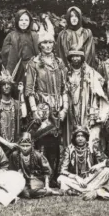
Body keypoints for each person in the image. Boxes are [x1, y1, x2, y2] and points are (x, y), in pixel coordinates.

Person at [26, 21, 68, 181]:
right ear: (39, 45)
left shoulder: (59, 63)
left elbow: (65, 88)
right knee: (41, 141)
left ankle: (54, 176)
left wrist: (64, 108)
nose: (48, 45)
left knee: (56, 144)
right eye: (44, 43)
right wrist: (34, 110)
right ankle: (41, 177)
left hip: (57, 107)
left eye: (50, 42)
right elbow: (29, 89)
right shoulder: (34, 63)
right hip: (42, 107)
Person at [65, 49, 109, 147]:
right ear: (70, 58)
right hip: (71, 104)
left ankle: (89, 152)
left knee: (87, 126)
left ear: (82, 58)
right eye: (73, 56)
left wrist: (91, 84)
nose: (76, 59)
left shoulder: (89, 71)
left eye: (78, 56)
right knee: (72, 125)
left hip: (85, 103)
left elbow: (101, 82)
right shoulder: (66, 72)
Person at [57, 126, 109, 195]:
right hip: (75, 180)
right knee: (60, 178)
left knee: (107, 170)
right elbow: (62, 170)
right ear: (74, 138)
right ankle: (91, 189)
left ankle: (76, 190)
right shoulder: (69, 149)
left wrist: (98, 165)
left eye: (82, 136)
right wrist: (76, 177)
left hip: (90, 178)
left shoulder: (92, 147)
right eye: (78, 136)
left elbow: (107, 161)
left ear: (86, 137)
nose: (80, 138)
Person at [0, 70, 27, 153]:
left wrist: (21, 94)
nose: (6, 86)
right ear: (0, 87)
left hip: (15, 147)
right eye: (4, 84)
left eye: (9, 84)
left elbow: (24, 115)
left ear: (12, 86)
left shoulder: (16, 104)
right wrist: (7, 144)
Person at [9, 132, 56, 198]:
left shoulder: (38, 155)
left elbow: (47, 172)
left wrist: (47, 186)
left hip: (35, 182)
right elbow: (11, 172)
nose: (25, 148)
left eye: (27, 145)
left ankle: (45, 191)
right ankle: (39, 192)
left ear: (32, 145)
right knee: (24, 192)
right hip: (21, 182)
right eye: (22, 145)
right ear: (19, 145)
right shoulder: (14, 155)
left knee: (27, 193)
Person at [1, 9, 39, 85]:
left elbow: (39, 52)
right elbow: (5, 54)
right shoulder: (11, 35)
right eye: (21, 20)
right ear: (17, 21)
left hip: (31, 67)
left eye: (26, 20)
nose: (24, 22)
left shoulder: (34, 35)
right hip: (16, 68)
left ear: (30, 22)